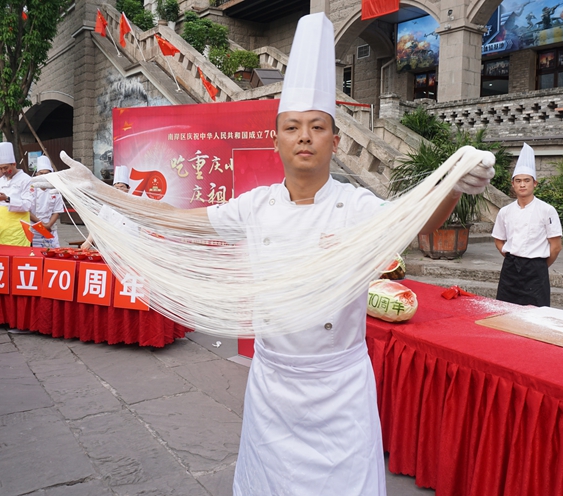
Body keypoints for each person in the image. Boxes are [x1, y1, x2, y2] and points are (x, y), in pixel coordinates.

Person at [32, 14, 495, 495]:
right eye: (292, 127)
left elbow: (416, 222)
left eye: (317, 127)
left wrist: (454, 190)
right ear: (275, 139)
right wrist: (96, 192)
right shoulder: (256, 207)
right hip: (274, 385)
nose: (304, 136)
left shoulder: (356, 206)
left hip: (340, 386)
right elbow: (173, 219)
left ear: (334, 141)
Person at [492, 143, 562, 307]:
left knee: (536, 315)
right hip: (510, 269)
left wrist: (539, 265)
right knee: (504, 311)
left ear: (534, 183)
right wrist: (513, 256)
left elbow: (556, 246)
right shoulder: (505, 211)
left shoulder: (547, 210)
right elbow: (498, 240)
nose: (522, 184)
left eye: (526, 181)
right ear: (513, 184)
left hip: (536, 270)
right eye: (518, 181)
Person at [81, 165, 131, 250]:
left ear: (128, 188)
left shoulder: (134, 204)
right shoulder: (108, 205)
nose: (119, 190)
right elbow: (98, 223)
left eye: (122, 187)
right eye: (116, 187)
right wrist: (88, 241)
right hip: (112, 245)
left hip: (130, 246)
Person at [0, 142, 33, 246]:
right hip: (2, 227)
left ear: (14, 164)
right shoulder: (1, 180)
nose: (3, 171)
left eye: (5, 168)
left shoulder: (26, 180)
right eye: (0, 168)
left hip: (18, 227)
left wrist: (7, 199)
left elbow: (28, 205)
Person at [29, 156, 65, 248]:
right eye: (41, 173)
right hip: (33, 227)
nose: (43, 176)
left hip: (50, 228)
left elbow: (57, 211)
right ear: (37, 174)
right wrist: (41, 225)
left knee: (52, 253)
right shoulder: (31, 188)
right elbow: (27, 210)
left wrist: (48, 225)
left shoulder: (55, 188)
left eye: (46, 174)